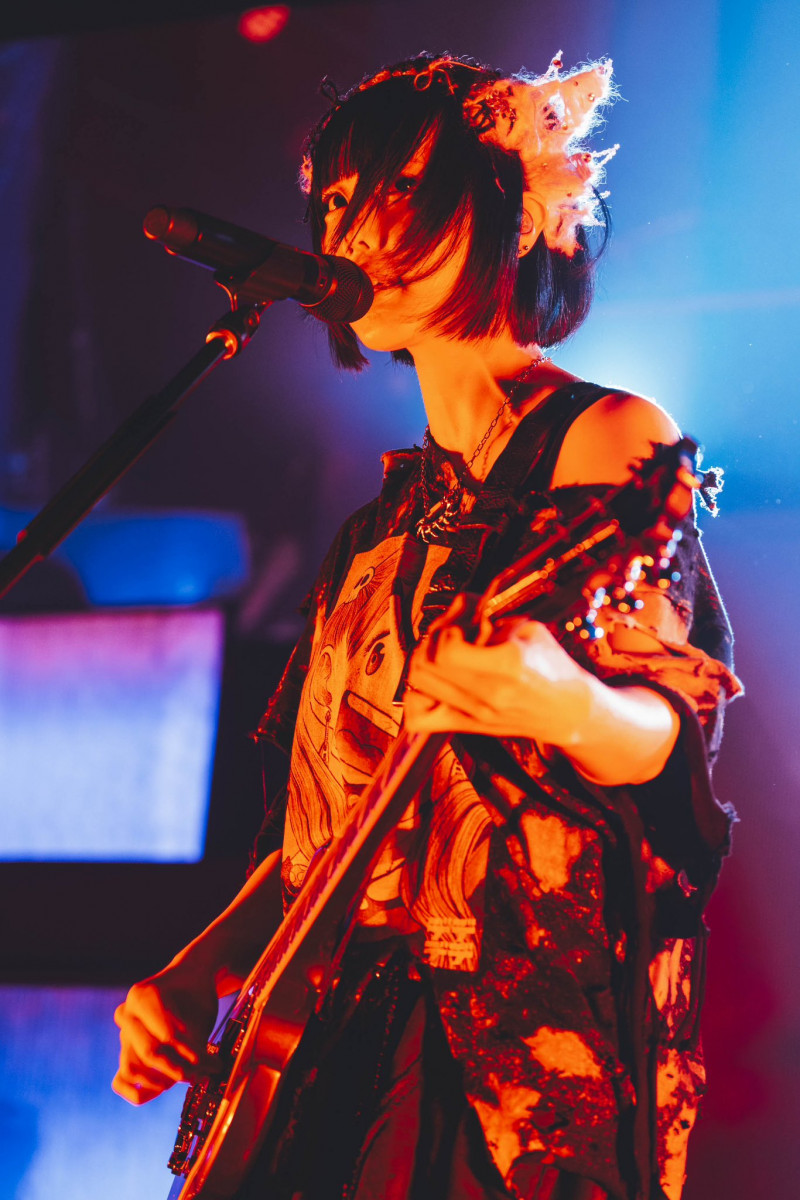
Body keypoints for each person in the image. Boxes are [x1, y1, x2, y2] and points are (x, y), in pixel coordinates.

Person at [112, 52, 741, 1200]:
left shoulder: (604, 438)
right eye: (337, 199)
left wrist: (569, 705)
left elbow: (667, 727)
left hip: (499, 1039)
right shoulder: (375, 533)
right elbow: (326, 837)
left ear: (507, 209)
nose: (355, 227)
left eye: (400, 187)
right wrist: (200, 965)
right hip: (325, 1035)